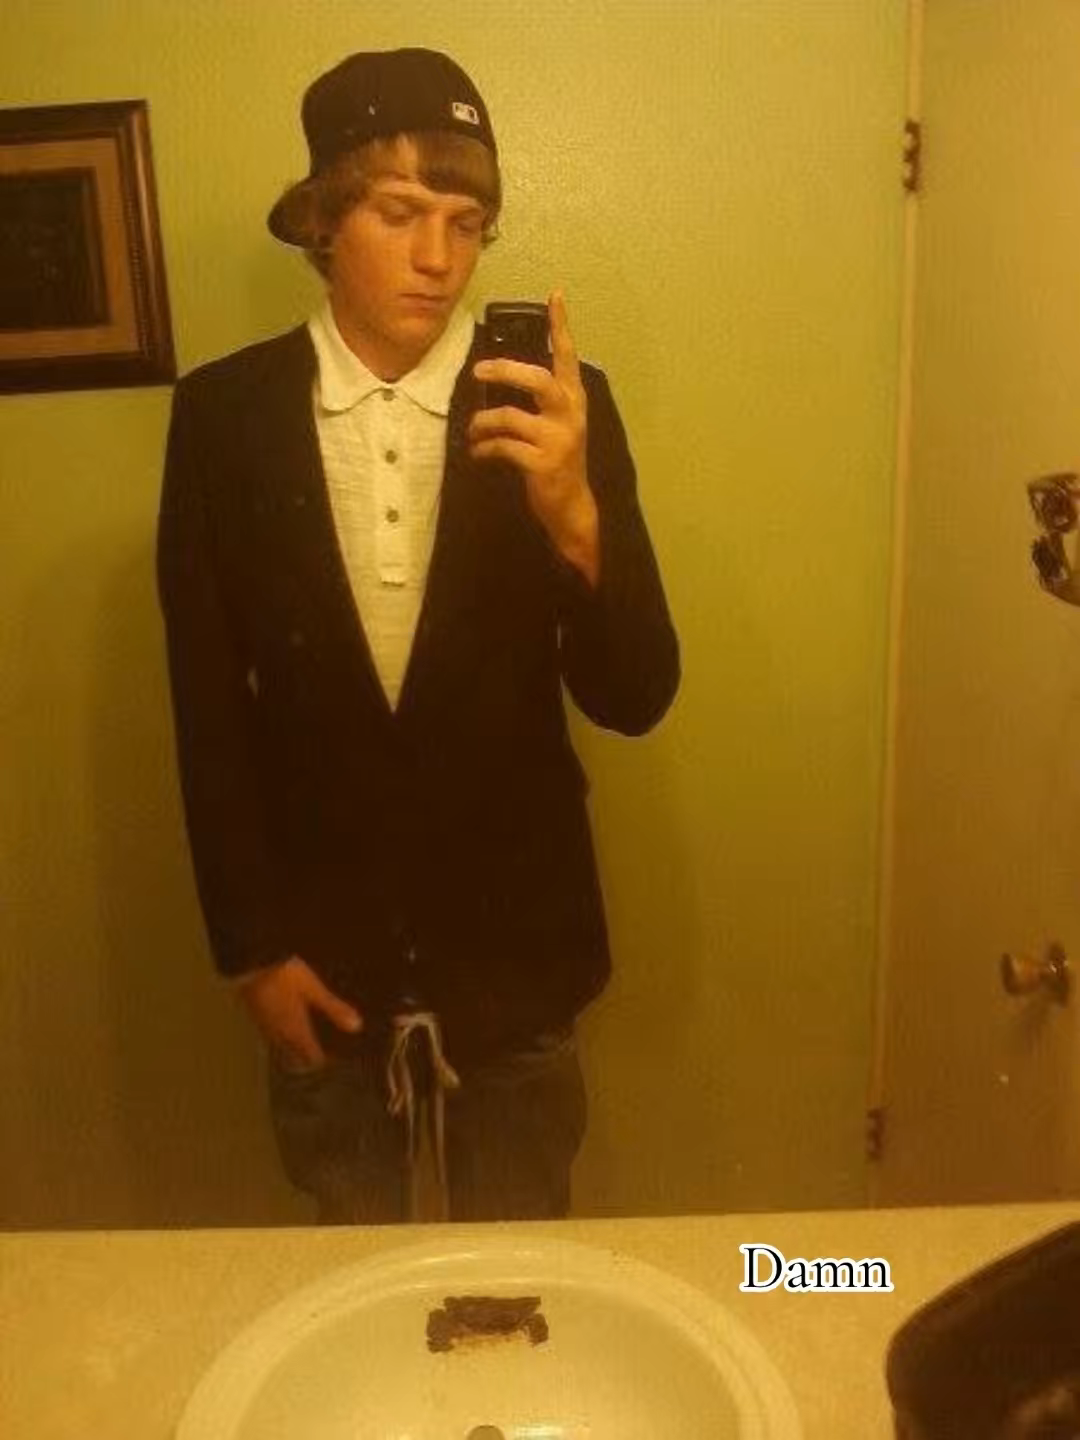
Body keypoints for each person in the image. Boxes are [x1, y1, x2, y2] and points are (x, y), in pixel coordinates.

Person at [157, 47, 679, 1225]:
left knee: (522, 1279)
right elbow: (206, 705)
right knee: (352, 1285)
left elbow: (637, 693)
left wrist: (575, 517)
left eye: (467, 222)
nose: (439, 257)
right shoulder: (225, 418)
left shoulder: (560, 406)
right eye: (399, 214)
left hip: (520, 956)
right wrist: (250, 949)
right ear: (324, 221)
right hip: (318, 959)